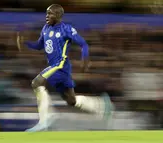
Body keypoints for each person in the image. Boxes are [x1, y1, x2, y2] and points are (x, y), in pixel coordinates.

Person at [17, 4, 113, 132]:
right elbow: (39, 46)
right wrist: (25, 43)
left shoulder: (66, 29)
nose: (47, 16)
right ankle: (100, 105)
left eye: (50, 13)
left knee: (37, 83)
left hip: (60, 65)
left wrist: (85, 60)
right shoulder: (46, 28)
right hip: (54, 67)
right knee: (71, 100)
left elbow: (83, 44)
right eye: (46, 13)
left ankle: (45, 119)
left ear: (58, 15)